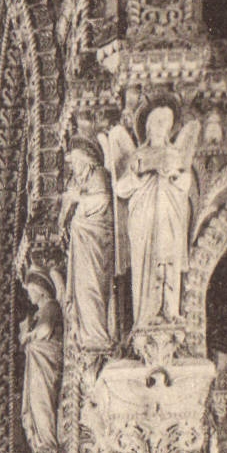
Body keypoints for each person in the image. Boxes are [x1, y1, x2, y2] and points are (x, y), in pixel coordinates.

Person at [115, 100, 199, 329]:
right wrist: (137, 175)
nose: (163, 126)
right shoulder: (138, 155)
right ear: (149, 126)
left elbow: (185, 182)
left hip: (169, 215)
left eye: (167, 123)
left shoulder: (174, 154)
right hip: (145, 219)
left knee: (169, 258)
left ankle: (170, 310)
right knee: (146, 262)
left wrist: (174, 175)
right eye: (159, 121)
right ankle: (146, 314)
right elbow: (120, 188)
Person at [59, 136, 113, 350]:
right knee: (82, 289)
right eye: (72, 164)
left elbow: (103, 200)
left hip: (95, 241)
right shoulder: (79, 183)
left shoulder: (97, 175)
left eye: (76, 162)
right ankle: (89, 335)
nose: (74, 168)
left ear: (87, 160)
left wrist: (78, 199)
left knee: (91, 288)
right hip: (82, 245)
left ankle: (96, 335)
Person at [19, 269, 63, 453]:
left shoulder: (50, 306)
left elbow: (45, 329)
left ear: (41, 291)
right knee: (37, 404)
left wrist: (29, 336)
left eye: (31, 291)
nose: (29, 296)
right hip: (38, 365)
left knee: (42, 402)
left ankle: (48, 444)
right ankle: (43, 445)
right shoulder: (40, 312)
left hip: (45, 363)